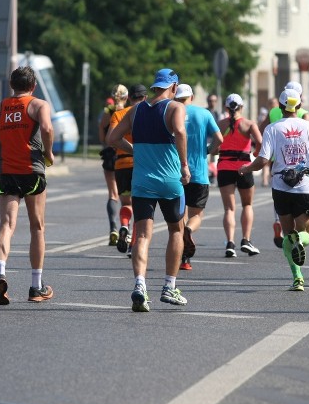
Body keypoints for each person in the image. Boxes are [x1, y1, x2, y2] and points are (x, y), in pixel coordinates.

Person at [107, 68, 191, 312]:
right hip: (168, 180)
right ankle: (169, 287)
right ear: (174, 87)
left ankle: (140, 286)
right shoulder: (175, 107)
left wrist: (134, 149)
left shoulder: (136, 110)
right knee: (176, 229)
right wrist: (185, 166)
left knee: (142, 235)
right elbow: (181, 132)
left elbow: (112, 138)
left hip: (141, 181)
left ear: (155, 86)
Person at [238, 88, 309, 292]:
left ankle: (297, 278)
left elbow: (262, 160)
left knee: (288, 235)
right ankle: (300, 241)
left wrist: (246, 168)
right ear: (299, 106)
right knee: (306, 234)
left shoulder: (272, 128)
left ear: (280, 106)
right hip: (306, 185)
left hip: (281, 186)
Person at [0, 66, 55, 306]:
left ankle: (1, 273)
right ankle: (36, 286)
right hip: (31, 171)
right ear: (33, 86)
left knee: (7, 224)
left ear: (12, 85)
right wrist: (48, 152)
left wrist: (7, 141)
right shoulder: (38, 105)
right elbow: (47, 128)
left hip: (7, 172)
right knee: (37, 226)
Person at [174, 84, 222, 270]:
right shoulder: (204, 114)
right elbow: (220, 139)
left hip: (176, 172)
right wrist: (208, 150)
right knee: (197, 215)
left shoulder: (171, 112)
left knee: (180, 215)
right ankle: (190, 230)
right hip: (199, 173)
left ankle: (184, 260)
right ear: (191, 97)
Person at [259, 82, 309, 248]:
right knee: (303, 225)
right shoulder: (304, 114)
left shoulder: (274, 112)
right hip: (301, 169)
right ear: (300, 100)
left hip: (278, 161)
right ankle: (299, 239)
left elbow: (261, 129)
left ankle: (278, 222)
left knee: (281, 199)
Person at [216, 93, 263, 258]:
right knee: (247, 205)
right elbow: (261, 143)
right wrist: (255, 154)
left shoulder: (220, 124)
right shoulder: (249, 124)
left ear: (226, 108)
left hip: (224, 167)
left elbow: (214, 147)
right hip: (244, 167)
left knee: (229, 208)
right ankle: (246, 240)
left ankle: (230, 243)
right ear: (241, 107)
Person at [109, 84, 148, 258]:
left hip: (121, 164)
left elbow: (111, 138)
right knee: (140, 206)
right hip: (140, 163)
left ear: (129, 98)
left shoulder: (118, 114)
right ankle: (133, 245)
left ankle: (124, 225)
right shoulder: (147, 113)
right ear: (145, 98)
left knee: (126, 202)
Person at [98, 85, 128, 246]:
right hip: (126, 154)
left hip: (110, 154)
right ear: (126, 97)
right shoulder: (128, 111)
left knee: (112, 193)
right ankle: (126, 226)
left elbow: (102, 136)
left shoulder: (107, 112)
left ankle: (113, 228)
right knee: (128, 198)